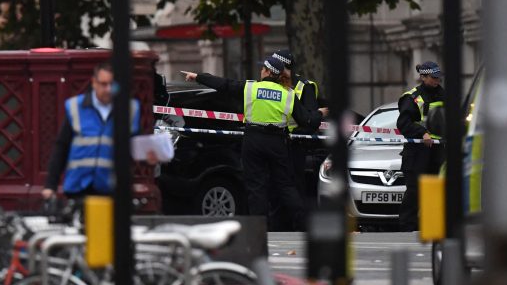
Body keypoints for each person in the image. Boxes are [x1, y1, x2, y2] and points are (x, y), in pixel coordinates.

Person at [181, 56, 327, 231]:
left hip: (253, 141)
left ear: (266, 71)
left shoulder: (250, 88)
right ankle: (305, 224)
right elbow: (307, 120)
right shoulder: (288, 94)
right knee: (286, 185)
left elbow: (224, 84)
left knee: (256, 186)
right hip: (277, 142)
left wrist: (198, 77)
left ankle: (259, 228)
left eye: (262, 68)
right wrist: (319, 113)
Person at [42, 62, 157, 201]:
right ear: (94, 83)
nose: (108, 89)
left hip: (111, 187)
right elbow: (61, 146)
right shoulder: (76, 107)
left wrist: (148, 159)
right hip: (78, 186)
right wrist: (50, 185)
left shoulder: (128, 109)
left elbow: (135, 145)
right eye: (103, 84)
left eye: (112, 84)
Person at [271, 49, 321, 227]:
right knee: (277, 185)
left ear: (284, 67)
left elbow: (310, 119)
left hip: (295, 144)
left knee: (294, 185)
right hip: (277, 141)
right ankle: (279, 224)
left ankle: (297, 224)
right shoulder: (273, 84)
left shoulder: (304, 86)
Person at [396, 61, 445, 232]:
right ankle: (407, 226)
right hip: (417, 153)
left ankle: (432, 224)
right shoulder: (413, 97)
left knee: (436, 190)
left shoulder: (443, 94)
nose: (437, 80)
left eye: (438, 77)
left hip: (437, 153)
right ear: (423, 77)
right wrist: (421, 133)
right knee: (415, 191)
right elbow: (403, 123)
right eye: (433, 77)